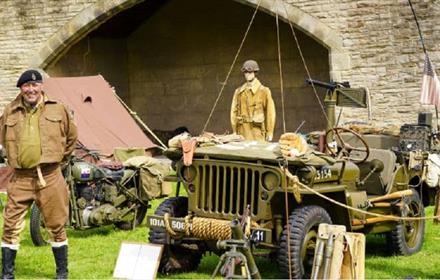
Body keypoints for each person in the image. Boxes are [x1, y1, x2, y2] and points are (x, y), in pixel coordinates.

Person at [0, 69, 78, 279]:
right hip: (21, 178)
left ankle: (62, 273)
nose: (31, 89)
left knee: (57, 225)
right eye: (27, 86)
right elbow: (3, 138)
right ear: (21, 88)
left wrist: (58, 161)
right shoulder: (10, 111)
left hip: (50, 176)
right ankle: (7, 275)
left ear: (41, 86)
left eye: (35, 85)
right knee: (10, 226)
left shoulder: (59, 109)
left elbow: (71, 137)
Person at [230, 60, 276, 141]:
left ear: (255, 72)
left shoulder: (263, 91)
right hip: (241, 132)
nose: (247, 74)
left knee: (256, 152)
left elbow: (270, 113)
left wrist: (270, 132)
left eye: (250, 72)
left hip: (257, 132)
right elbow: (233, 112)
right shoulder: (239, 91)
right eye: (245, 72)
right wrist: (234, 131)